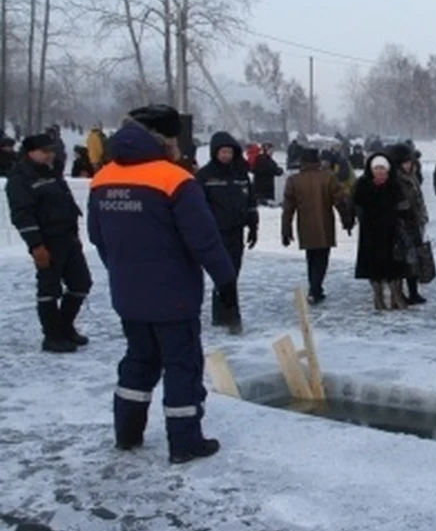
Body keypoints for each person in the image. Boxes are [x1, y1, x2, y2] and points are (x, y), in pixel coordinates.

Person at [88, 104, 236, 463]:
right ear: (165, 139)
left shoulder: (103, 178)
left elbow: (98, 237)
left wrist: (122, 272)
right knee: (181, 366)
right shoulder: (175, 180)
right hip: (174, 298)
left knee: (138, 361)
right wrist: (226, 280)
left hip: (128, 296)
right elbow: (204, 239)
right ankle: (185, 444)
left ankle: (127, 434)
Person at [5, 133, 93, 353]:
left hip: (67, 237)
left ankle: (65, 327)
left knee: (81, 283)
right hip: (47, 241)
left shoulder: (51, 172)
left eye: (51, 150)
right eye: (44, 151)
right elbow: (22, 214)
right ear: (30, 152)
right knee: (49, 289)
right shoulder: (21, 178)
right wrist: (36, 245)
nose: (49, 155)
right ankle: (52, 336)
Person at [194, 131, 258, 333]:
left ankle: (221, 313)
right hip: (216, 232)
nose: (226, 156)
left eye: (229, 152)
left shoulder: (240, 175)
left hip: (236, 231)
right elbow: (197, 206)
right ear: (215, 152)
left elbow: (250, 203)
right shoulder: (205, 176)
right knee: (225, 273)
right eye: (222, 152)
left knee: (233, 272)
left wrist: (253, 226)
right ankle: (231, 316)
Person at [281, 148, 354, 304]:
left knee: (311, 257)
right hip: (324, 223)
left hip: (305, 225)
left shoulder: (294, 180)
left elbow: (288, 208)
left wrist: (286, 229)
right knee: (322, 257)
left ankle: (315, 288)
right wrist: (346, 220)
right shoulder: (329, 178)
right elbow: (340, 202)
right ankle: (315, 289)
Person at [353, 153, 409, 310]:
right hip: (371, 231)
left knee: (394, 264)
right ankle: (378, 297)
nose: (379, 172)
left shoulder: (394, 185)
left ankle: (395, 296)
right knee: (374, 266)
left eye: (382, 168)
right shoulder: (363, 184)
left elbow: (404, 205)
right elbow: (357, 202)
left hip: (392, 231)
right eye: (376, 168)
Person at [391, 143, 430, 304]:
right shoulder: (395, 180)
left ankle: (413, 291)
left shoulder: (412, 177)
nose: (409, 165)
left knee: (414, 258)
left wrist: (423, 216)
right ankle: (401, 293)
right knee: (406, 259)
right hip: (402, 223)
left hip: (415, 221)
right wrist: (403, 208)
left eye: (410, 162)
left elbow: (419, 198)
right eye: (406, 162)